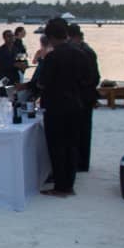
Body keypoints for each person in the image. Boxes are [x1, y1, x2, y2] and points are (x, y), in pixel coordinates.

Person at [34, 19, 91, 197]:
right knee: (72, 146)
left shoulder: (53, 56)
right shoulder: (81, 53)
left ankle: (61, 187)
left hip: (56, 106)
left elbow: (43, 83)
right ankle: (69, 185)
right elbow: (87, 80)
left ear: (50, 37)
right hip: (76, 104)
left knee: (57, 147)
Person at [68, 24, 100, 172]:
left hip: (84, 96)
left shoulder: (85, 52)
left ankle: (81, 163)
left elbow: (93, 77)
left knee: (82, 130)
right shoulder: (85, 50)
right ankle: (81, 162)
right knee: (82, 130)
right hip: (85, 95)